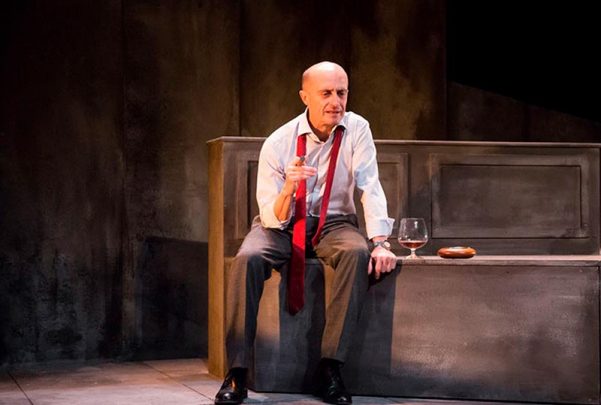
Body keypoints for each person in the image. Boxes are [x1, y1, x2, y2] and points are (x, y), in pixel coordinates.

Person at [215, 61, 397, 405]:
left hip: (334, 223)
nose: (335, 102)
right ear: (305, 97)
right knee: (247, 258)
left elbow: (370, 184)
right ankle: (236, 372)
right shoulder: (279, 142)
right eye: (326, 93)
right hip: (282, 223)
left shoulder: (357, 129)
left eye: (341, 93)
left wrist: (380, 242)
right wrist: (288, 187)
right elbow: (271, 215)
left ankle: (330, 368)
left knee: (356, 253)